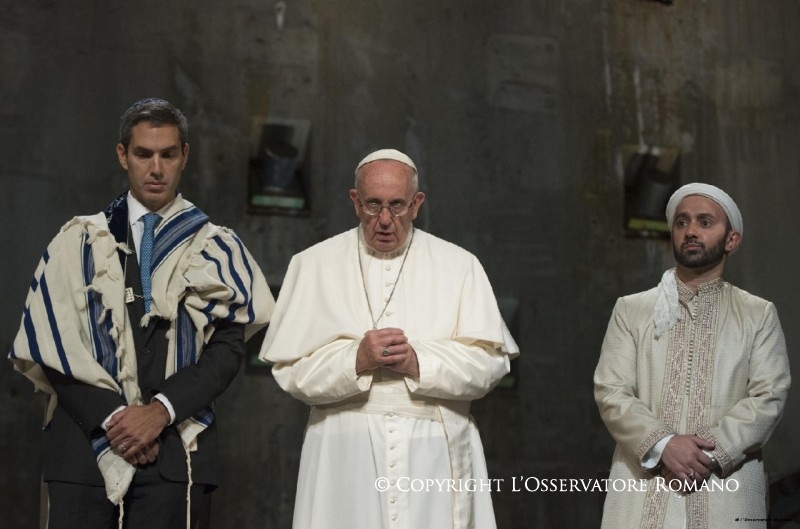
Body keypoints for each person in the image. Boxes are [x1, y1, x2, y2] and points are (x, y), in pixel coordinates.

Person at [9, 98, 274, 529]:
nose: (156, 168)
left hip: (176, 454)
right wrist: (117, 420)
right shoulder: (76, 242)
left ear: (184, 156)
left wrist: (159, 412)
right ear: (122, 155)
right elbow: (52, 346)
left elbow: (226, 353)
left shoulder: (218, 249)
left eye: (168, 154)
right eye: (143, 154)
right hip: (84, 452)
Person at [259, 148, 519, 529]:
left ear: (417, 204)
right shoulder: (313, 264)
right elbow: (290, 372)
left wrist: (419, 362)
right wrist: (355, 360)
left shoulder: (460, 265)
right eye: (372, 205)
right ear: (354, 201)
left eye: (397, 206)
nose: (384, 220)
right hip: (342, 452)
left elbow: (490, 365)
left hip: (434, 451)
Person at [594, 182, 791, 529]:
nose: (691, 232)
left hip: (725, 489)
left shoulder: (757, 314)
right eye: (682, 223)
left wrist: (702, 454)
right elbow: (611, 391)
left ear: (732, 239)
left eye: (704, 222)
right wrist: (664, 444)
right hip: (643, 487)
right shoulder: (632, 310)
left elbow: (768, 396)